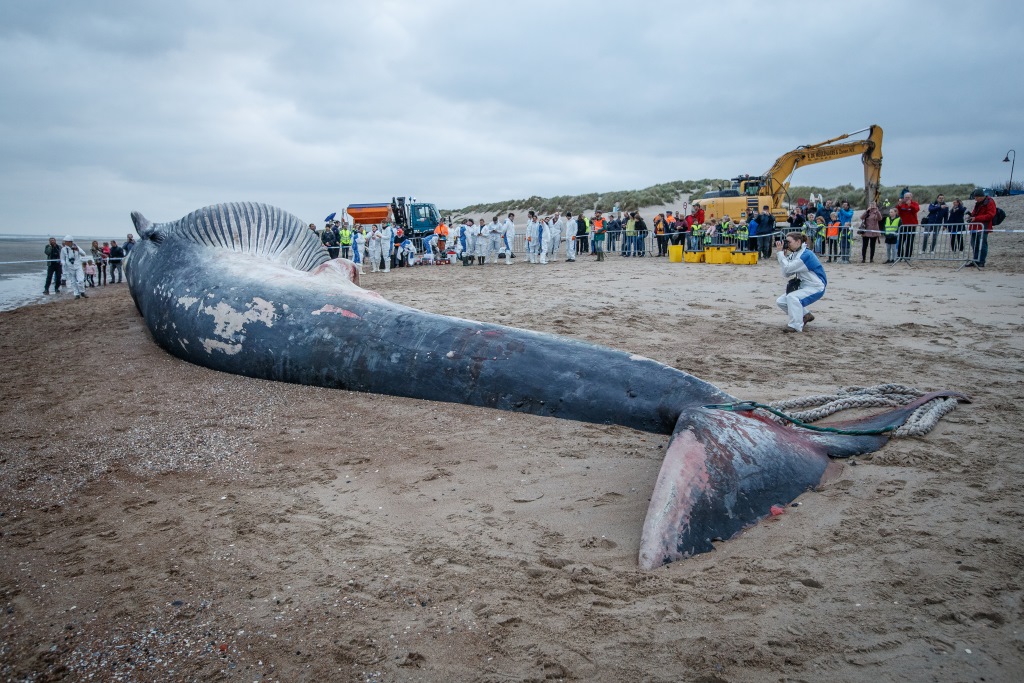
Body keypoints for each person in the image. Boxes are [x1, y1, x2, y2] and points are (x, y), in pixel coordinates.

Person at [775, 232, 825, 333]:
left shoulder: (806, 255)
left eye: (789, 242)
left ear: (798, 242)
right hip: (805, 285)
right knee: (781, 301)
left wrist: (780, 254)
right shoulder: (795, 254)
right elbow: (786, 273)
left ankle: (795, 326)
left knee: (792, 297)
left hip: (816, 287)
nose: (787, 244)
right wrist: (783, 256)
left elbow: (788, 268)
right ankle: (805, 315)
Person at [966, 188, 997, 268]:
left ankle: (981, 261)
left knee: (982, 245)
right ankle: (975, 260)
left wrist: (976, 218)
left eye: (976, 197)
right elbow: (974, 213)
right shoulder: (978, 203)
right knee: (974, 245)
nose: (975, 199)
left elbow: (990, 215)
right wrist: (971, 216)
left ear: (981, 196)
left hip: (984, 227)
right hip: (974, 227)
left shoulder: (990, 202)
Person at [895, 192, 920, 259]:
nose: (906, 199)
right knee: (900, 241)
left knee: (909, 242)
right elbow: (898, 213)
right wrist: (899, 206)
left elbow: (916, 210)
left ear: (911, 198)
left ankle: (907, 256)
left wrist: (910, 205)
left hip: (912, 226)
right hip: (903, 226)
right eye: (905, 197)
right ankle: (900, 256)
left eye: (908, 197)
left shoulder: (915, 203)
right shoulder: (902, 204)